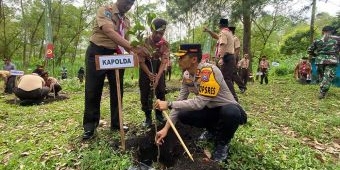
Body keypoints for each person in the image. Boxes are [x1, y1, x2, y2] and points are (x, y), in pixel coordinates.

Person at [154, 44, 247, 162]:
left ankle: (222, 144)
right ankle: (212, 131)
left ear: (193, 59)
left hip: (228, 109)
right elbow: (179, 102)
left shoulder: (209, 71)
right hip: (211, 109)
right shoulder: (187, 75)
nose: (179, 60)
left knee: (230, 112)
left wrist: (168, 104)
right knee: (183, 114)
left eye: (182, 57)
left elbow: (198, 103)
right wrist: (166, 129)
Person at [82, 0, 148, 140]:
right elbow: (109, 31)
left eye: (131, 4)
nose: (128, 6)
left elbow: (127, 40)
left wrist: (134, 56)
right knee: (93, 90)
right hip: (98, 53)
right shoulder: (106, 10)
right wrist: (132, 47)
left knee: (118, 90)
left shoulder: (126, 20)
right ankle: (90, 126)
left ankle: (117, 122)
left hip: (117, 55)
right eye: (127, 2)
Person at [139, 18, 169, 127]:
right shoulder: (144, 42)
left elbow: (164, 62)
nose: (158, 35)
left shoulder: (165, 44)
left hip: (158, 67)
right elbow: (141, 61)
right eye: (156, 33)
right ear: (152, 30)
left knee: (160, 90)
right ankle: (148, 117)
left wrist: (157, 77)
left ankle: (159, 115)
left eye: (161, 33)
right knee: (146, 91)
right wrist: (149, 74)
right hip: (146, 67)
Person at [204, 18, 242, 101]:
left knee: (226, 79)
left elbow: (223, 44)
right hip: (228, 57)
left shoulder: (223, 33)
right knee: (224, 78)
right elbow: (216, 37)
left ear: (220, 25)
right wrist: (208, 31)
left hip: (226, 57)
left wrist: (221, 58)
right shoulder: (228, 32)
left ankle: (234, 98)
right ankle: (226, 96)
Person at [307, 26, 339, 99]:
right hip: (331, 60)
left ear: (323, 31)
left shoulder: (317, 40)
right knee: (328, 77)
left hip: (319, 60)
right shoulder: (337, 40)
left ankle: (322, 90)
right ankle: (322, 92)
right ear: (332, 31)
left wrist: (317, 55)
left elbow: (309, 50)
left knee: (322, 77)